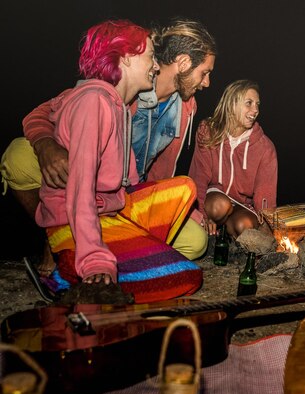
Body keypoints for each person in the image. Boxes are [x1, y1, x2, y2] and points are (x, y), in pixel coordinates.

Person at [1, 18, 217, 275]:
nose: (207, 83)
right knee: (17, 155)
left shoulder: (184, 108)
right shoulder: (115, 89)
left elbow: (162, 173)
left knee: (195, 241)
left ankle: (106, 246)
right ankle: (58, 237)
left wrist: (183, 209)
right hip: (79, 178)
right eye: (205, 72)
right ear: (183, 63)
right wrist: (46, 145)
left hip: (122, 194)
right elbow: (41, 113)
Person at [189, 80, 277, 237]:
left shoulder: (264, 147)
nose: (255, 110)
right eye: (249, 103)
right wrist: (201, 216)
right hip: (214, 196)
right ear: (231, 104)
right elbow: (198, 178)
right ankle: (210, 229)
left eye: (257, 104)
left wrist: (268, 230)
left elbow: (266, 196)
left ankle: (229, 237)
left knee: (246, 226)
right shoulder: (209, 132)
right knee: (219, 206)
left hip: (242, 204)